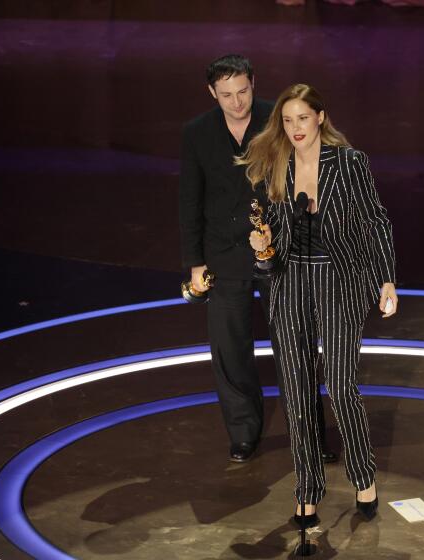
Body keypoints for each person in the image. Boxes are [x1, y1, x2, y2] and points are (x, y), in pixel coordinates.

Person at [242, 84, 398, 526]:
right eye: (287, 121)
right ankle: (307, 490)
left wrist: (386, 278)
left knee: (341, 384)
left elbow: (375, 220)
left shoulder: (349, 163)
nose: (294, 128)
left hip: (339, 278)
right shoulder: (275, 164)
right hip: (290, 280)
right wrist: (262, 247)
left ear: (320, 118)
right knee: (295, 390)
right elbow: (270, 238)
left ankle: (363, 478)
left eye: (302, 119)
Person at [179, 56, 336, 463]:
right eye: (226, 95)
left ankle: (311, 435)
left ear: (254, 83)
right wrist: (195, 261)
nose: (237, 102)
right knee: (230, 350)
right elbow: (190, 199)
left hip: (278, 250)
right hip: (223, 254)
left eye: (243, 91)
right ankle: (244, 432)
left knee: (294, 346)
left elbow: (308, 170)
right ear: (212, 93)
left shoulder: (278, 118)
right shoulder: (196, 133)